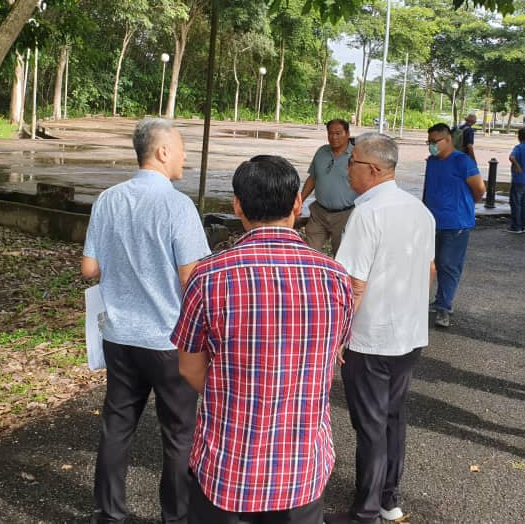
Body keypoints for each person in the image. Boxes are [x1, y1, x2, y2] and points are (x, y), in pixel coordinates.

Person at [172, 155, 353, 524]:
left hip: (227, 467)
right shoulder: (334, 278)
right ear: (298, 204)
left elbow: (190, 368)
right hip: (301, 468)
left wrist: (234, 392)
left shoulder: (208, 276)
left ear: (237, 205)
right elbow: (331, 358)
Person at [81, 117, 212, 524]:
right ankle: (175, 516)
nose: (186, 156)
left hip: (119, 337)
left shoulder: (108, 199)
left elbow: (89, 268)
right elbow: (194, 277)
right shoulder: (177, 205)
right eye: (182, 147)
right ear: (162, 151)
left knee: (117, 426)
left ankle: (109, 513)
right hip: (170, 342)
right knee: (178, 436)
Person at [330, 134, 437, 524]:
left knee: (371, 425)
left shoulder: (368, 214)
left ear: (373, 169)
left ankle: (366, 511)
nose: (347, 168)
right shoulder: (419, 210)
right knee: (392, 417)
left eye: (352, 162)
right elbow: (429, 271)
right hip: (409, 334)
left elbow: (353, 283)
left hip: (371, 336)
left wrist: (338, 335)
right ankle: (389, 498)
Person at [424, 123, 486, 328]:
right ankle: (439, 300)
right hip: (433, 221)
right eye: (429, 142)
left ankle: (444, 307)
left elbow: (479, 188)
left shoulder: (462, 161)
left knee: (449, 265)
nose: (432, 146)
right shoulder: (432, 162)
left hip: (456, 223)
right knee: (433, 264)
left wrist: (465, 205)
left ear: (448, 140)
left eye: (435, 142)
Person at [301, 118, 358, 255]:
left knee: (341, 255)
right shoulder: (321, 152)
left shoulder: (357, 156)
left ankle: (337, 276)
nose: (334, 137)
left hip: (345, 215)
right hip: (319, 213)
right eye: (330, 133)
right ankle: (314, 275)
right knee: (311, 252)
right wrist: (300, 200)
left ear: (348, 133)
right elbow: (313, 178)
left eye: (338, 133)